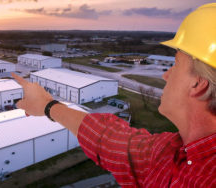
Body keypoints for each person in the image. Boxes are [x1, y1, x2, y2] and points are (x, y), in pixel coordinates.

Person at [12, 3, 216, 187]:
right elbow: (111, 141)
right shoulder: (170, 151)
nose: (166, 74)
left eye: (176, 63)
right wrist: (48, 106)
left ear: (197, 83)